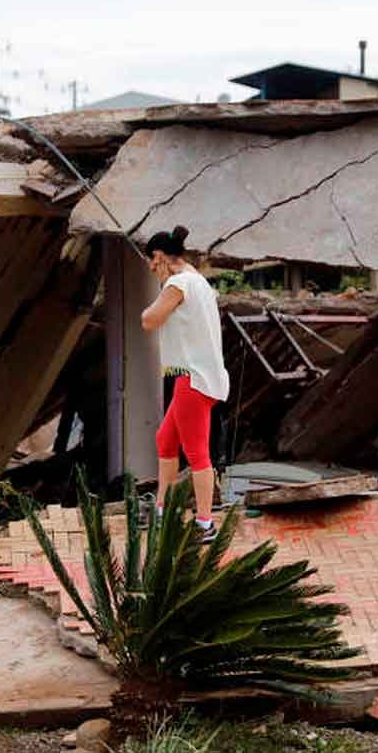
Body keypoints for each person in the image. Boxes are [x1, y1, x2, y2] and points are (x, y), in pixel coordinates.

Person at [139, 226, 230, 542]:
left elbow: (149, 320)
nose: (151, 268)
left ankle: (205, 524)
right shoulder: (199, 281)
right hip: (197, 377)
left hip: (192, 378)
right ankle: (163, 510)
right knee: (165, 438)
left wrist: (162, 286)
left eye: (151, 261)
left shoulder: (178, 283)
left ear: (161, 256)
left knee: (197, 454)